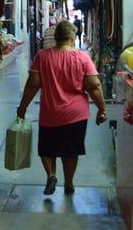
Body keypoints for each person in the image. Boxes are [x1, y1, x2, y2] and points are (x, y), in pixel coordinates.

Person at [16, 20, 107, 195]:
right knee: (71, 151)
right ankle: (69, 183)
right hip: (76, 115)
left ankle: (51, 175)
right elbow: (94, 85)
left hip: (50, 113)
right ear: (73, 39)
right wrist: (102, 109)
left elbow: (33, 84)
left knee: (47, 148)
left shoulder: (43, 56)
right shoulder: (82, 58)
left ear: (56, 39)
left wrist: (23, 108)